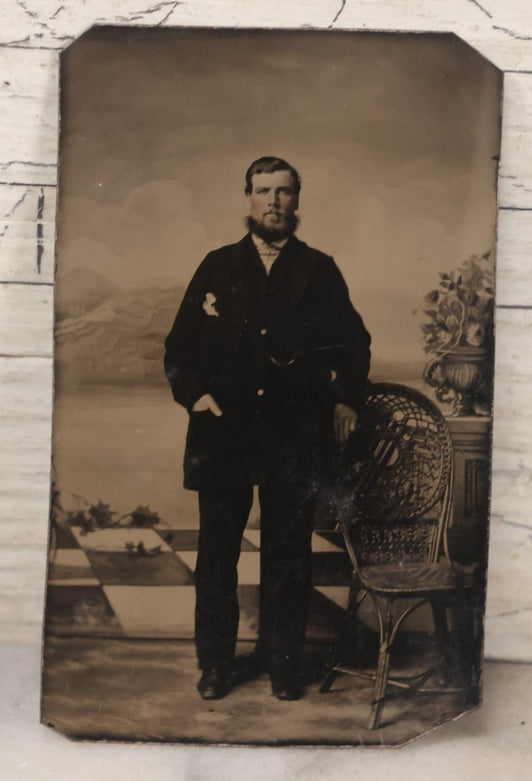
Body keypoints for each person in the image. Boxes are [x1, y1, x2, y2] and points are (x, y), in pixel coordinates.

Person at [164, 156, 371, 701]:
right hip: (223, 432)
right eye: (263, 191)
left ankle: (283, 667)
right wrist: (196, 396)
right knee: (217, 556)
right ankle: (215, 665)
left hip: (294, 434)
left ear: (296, 199)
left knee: (288, 555)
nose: (273, 201)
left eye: (283, 191)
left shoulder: (319, 269)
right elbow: (178, 347)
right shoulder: (217, 266)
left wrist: (347, 399)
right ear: (249, 198)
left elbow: (355, 344)